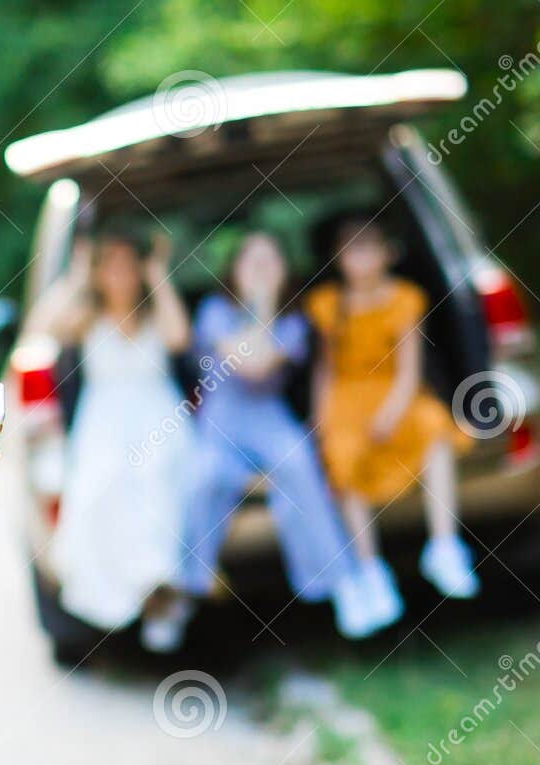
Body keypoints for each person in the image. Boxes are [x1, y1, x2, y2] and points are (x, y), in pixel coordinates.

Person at [174, 231, 376, 640]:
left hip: (271, 420)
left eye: (271, 263)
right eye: (253, 263)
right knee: (204, 477)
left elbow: (262, 366)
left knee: (302, 468)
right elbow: (242, 363)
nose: (262, 271)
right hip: (221, 423)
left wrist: (265, 304)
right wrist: (261, 305)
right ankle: (184, 590)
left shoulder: (296, 321)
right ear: (235, 271)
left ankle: (339, 583)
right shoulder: (214, 311)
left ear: (286, 273)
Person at [27, 228, 197, 652]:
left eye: (128, 262)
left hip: (158, 416)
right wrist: (78, 276)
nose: (120, 273)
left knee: (158, 480)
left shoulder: (156, 313)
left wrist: (159, 273)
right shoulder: (86, 317)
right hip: (102, 422)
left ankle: (161, 595)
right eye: (110, 263)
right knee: (98, 489)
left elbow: (179, 338)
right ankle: (120, 602)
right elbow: (40, 328)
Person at [305, 216, 479, 614]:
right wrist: (320, 420)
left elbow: (409, 370)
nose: (361, 258)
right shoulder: (328, 305)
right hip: (347, 397)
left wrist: (392, 412)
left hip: (396, 391)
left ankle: (444, 545)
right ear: (338, 258)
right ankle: (371, 570)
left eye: (369, 247)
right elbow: (326, 371)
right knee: (342, 454)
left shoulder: (405, 297)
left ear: (386, 253)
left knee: (434, 426)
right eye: (352, 249)